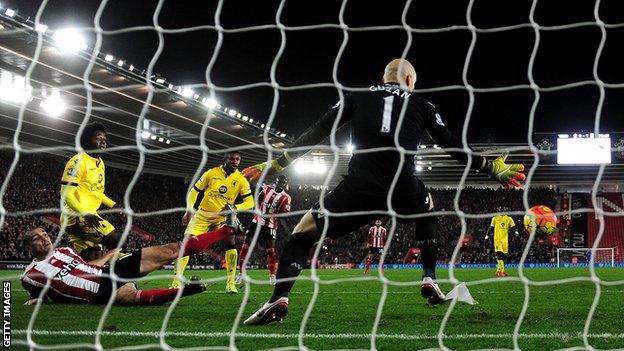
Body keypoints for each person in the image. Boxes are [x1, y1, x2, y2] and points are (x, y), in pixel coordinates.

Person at [241, 58, 526, 325]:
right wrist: (490, 167)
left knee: (302, 235)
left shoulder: (356, 97)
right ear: (410, 79)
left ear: (384, 78)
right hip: (403, 187)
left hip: (358, 188)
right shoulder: (422, 105)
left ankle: (279, 298)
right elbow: (450, 144)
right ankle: (429, 278)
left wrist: (278, 163)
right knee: (428, 211)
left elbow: (318, 130)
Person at [20, 222, 238, 305]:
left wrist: (108, 255)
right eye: (37, 238)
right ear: (30, 247)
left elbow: (87, 267)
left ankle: (225, 230)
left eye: (44, 233)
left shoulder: (66, 250)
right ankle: (186, 290)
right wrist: (37, 300)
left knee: (171, 250)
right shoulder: (29, 275)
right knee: (131, 296)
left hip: (108, 272)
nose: (44, 237)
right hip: (97, 294)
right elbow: (37, 295)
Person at [172, 151, 253, 293]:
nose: (235, 161)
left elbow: (250, 202)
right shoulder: (211, 173)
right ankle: (176, 282)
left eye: (238, 160)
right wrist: (189, 209)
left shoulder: (241, 180)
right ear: (225, 159)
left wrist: (234, 207)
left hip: (223, 217)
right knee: (186, 244)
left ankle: (230, 283)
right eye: (232, 159)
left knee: (230, 243)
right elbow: (194, 191)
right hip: (202, 215)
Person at [60, 123, 122, 261]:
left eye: (105, 139)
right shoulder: (78, 161)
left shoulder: (100, 163)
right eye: (99, 138)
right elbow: (66, 194)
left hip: (90, 215)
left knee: (92, 260)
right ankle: (121, 268)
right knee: (116, 239)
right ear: (87, 141)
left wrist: (114, 206)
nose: (103, 141)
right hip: (75, 216)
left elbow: (96, 192)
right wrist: (84, 212)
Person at [236, 175, 292, 285]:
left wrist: (271, 215)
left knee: (270, 250)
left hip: (270, 225)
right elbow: (255, 183)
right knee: (246, 245)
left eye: (283, 184)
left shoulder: (286, 197)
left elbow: (286, 213)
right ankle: (241, 274)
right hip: (256, 222)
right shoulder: (267, 188)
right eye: (279, 182)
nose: (280, 185)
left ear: (285, 185)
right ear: (276, 182)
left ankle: (272, 275)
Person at [486, 209, 518, 277]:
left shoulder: (509, 218)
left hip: (505, 240)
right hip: (497, 239)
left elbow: (513, 227)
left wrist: (516, 232)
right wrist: (487, 235)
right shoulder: (495, 218)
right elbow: (491, 227)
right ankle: (502, 271)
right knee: (499, 254)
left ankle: (498, 271)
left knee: (504, 256)